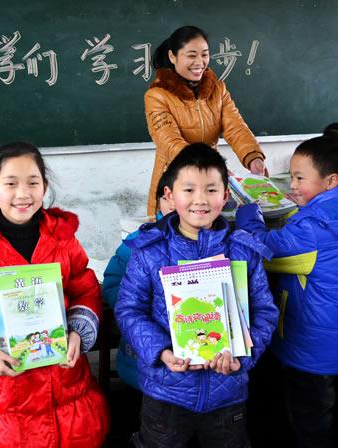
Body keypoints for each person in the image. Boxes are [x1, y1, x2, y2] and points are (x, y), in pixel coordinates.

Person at [0, 142, 109, 447]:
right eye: (11, 184)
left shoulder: (62, 239)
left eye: (32, 183)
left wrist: (78, 332)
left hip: (61, 388)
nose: (23, 194)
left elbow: (85, 290)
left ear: (45, 187)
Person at [116, 143, 278, 448]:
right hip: (166, 392)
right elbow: (129, 309)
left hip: (227, 392)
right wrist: (161, 351)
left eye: (211, 190)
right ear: (170, 194)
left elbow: (265, 312)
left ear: (226, 195)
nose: (200, 200)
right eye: (189, 190)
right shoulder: (150, 253)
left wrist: (243, 357)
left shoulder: (242, 252)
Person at [236, 136, 338, 448]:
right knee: (331, 406)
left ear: (330, 181)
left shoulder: (313, 229)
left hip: (311, 344)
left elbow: (264, 249)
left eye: (300, 178)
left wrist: (249, 216)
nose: (293, 185)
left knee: (309, 417)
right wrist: (302, 208)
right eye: (291, 176)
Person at [145, 25, 266, 215]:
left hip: (211, 184)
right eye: (191, 55)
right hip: (175, 184)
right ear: (172, 56)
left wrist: (253, 157)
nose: (199, 62)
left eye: (205, 54)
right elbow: (170, 143)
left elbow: (236, 127)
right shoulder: (157, 95)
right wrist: (212, 167)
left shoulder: (218, 90)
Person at [102, 171, 174, 390]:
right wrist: (139, 304)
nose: (173, 203)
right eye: (166, 197)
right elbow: (112, 282)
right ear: (158, 201)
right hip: (144, 359)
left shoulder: (211, 244)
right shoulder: (138, 243)